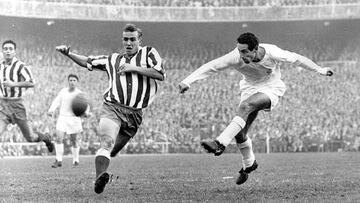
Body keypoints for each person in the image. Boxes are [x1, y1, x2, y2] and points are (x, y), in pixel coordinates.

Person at [178, 32, 333, 185]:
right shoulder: (235, 56)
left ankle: (220, 143)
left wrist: (320, 70)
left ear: (255, 49)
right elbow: (211, 66)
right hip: (249, 89)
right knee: (240, 134)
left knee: (246, 106)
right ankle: (249, 164)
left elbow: (298, 59)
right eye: (240, 51)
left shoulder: (272, 52)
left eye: (245, 51)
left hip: (271, 87)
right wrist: (188, 81)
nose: (242, 55)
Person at [55, 23, 165, 194]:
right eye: (125, 39)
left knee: (112, 150)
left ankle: (103, 169)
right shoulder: (113, 59)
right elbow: (87, 62)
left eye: (132, 40)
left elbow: (160, 74)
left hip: (135, 115)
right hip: (112, 107)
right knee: (106, 143)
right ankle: (99, 179)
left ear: (139, 40)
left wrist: (133, 68)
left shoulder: (149, 53)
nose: (128, 43)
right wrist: (68, 53)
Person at [0, 40, 53, 153]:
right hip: (3, 105)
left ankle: (45, 138)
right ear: (2, 51)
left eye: (10, 49)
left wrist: (14, 84)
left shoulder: (20, 66)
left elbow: (31, 82)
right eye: (5, 49)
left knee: (31, 138)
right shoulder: (0, 66)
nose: (8, 51)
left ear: (15, 51)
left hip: (17, 104)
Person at [48, 74, 89, 168]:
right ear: (68, 81)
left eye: (74, 80)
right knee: (59, 138)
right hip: (63, 117)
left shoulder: (80, 94)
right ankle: (58, 160)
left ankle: (76, 160)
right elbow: (57, 101)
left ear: (77, 82)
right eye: (70, 80)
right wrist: (51, 110)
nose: (72, 82)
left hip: (74, 118)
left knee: (74, 140)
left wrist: (86, 113)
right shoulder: (63, 91)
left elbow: (85, 105)